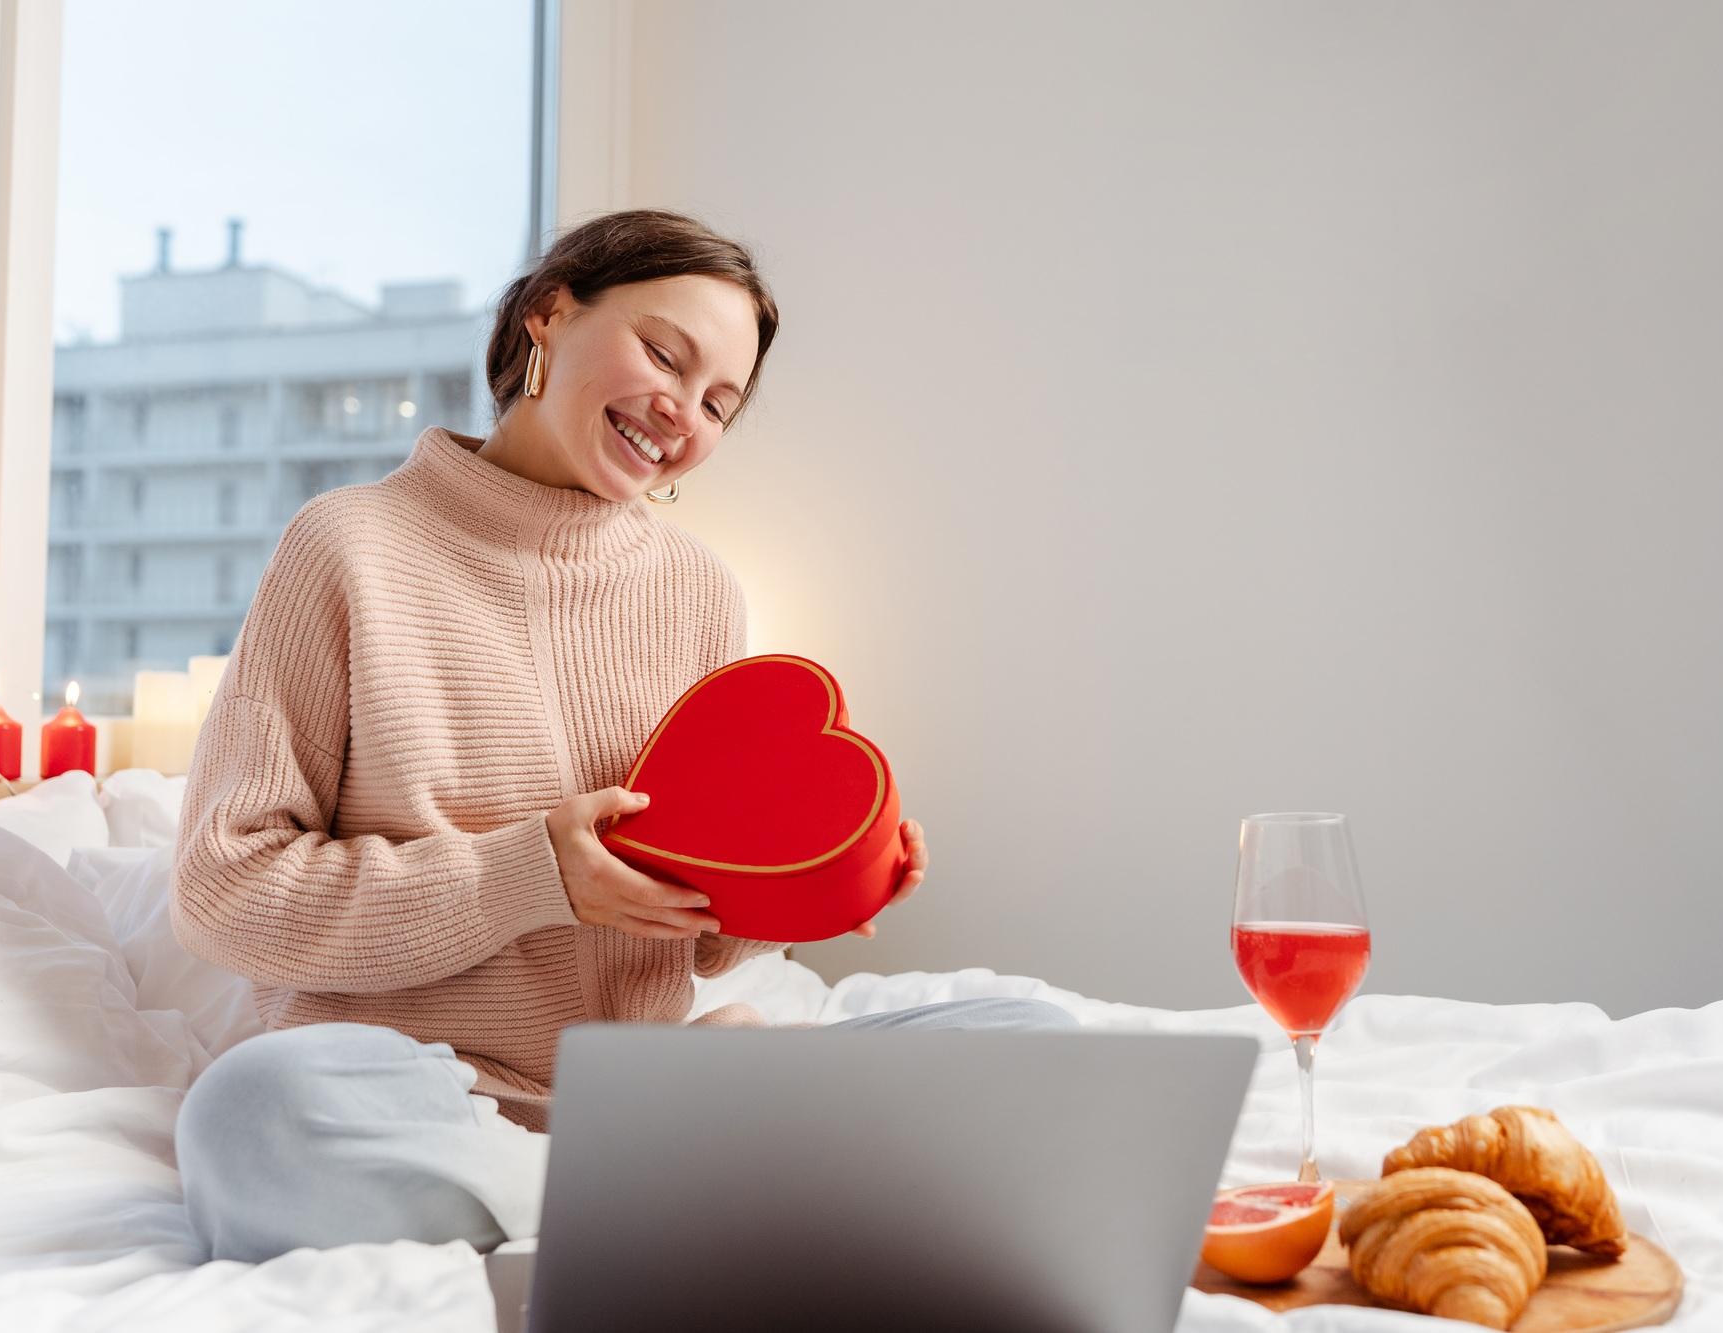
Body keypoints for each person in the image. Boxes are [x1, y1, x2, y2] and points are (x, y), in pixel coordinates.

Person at [169, 208, 1077, 1263]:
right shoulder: (348, 548)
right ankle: (673, 1180)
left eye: (717, 402)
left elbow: (701, 928)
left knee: (1030, 1040)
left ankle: (639, 1167)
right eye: (663, 353)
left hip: (649, 1088)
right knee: (249, 1118)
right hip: (419, 1099)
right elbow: (223, 891)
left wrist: (815, 882)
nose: (680, 412)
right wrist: (531, 874)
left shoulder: (696, 590)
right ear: (549, 315)